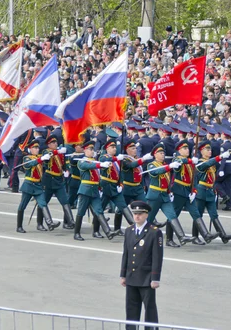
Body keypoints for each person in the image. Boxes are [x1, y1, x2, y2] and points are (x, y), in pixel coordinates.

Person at [120, 200, 163, 330]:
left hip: (146, 278)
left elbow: (157, 257)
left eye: (140, 214)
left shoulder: (154, 232)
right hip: (132, 276)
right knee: (131, 309)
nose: (137, 216)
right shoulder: (129, 231)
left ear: (146, 215)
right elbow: (126, 254)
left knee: (149, 309)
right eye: (135, 213)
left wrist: (155, 278)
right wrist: (123, 275)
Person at [145, 143, 195, 246]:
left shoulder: (165, 164)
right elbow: (156, 172)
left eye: (163, 153)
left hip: (164, 195)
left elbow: (167, 181)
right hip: (155, 195)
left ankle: (180, 237)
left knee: (172, 215)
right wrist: (168, 167)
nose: (163, 155)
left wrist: (169, 191)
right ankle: (141, 236)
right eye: (160, 153)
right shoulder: (151, 165)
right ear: (155, 154)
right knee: (149, 219)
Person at [73, 140, 119, 241]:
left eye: (93, 149)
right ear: (85, 150)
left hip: (94, 190)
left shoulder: (94, 160)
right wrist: (100, 165)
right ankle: (76, 233)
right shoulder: (82, 161)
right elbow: (88, 166)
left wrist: (99, 187)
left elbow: (97, 175)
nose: (92, 151)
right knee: (81, 212)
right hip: (85, 189)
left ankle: (108, 232)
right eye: (90, 149)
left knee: (99, 211)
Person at [195, 140, 231, 244]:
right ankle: (195, 236)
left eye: (210, 150)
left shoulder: (211, 162)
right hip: (201, 191)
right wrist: (220, 157)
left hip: (210, 191)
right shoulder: (200, 163)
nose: (209, 151)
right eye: (207, 150)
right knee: (198, 215)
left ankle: (223, 235)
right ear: (201, 151)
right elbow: (207, 164)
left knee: (214, 214)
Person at [15, 140, 59, 233]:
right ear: (30, 149)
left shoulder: (40, 157)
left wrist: (56, 152)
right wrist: (41, 159)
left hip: (38, 186)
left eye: (38, 147)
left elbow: (48, 154)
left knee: (43, 204)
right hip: (29, 185)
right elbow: (29, 164)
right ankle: (19, 226)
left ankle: (49, 223)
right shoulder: (27, 158)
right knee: (22, 206)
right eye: (35, 148)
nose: (37, 149)